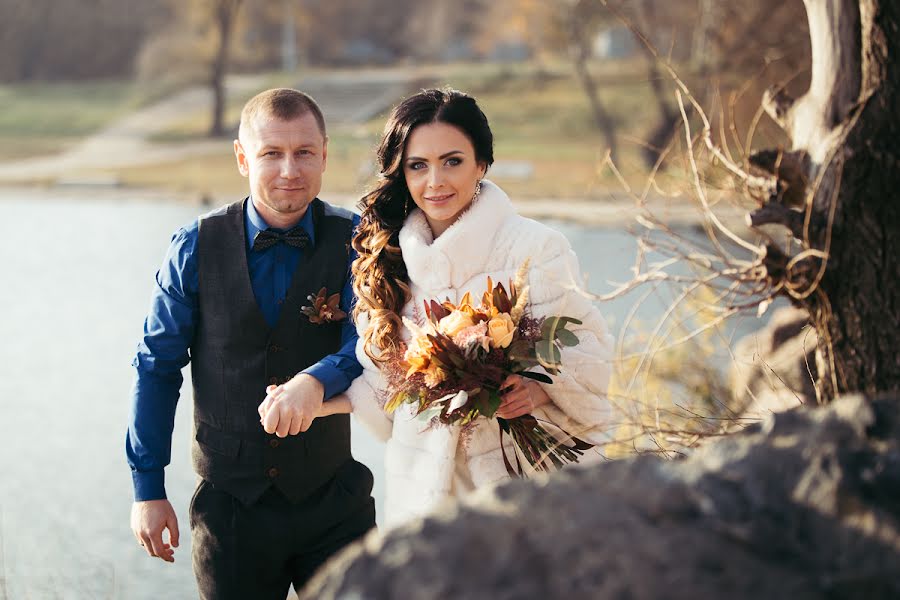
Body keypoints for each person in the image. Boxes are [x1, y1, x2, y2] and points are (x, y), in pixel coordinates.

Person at [265, 88, 614, 527]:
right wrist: (309, 397)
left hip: (527, 479)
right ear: (401, 174)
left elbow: (591, 353)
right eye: (418, 166)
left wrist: (539, 389)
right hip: (425, 491)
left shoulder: (536, 249)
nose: (435, 182)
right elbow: (385, 382)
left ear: (482, 164)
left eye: (453, 161)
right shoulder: (391, 260)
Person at [126, 88, 375, 599]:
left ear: (324, 153)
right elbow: (156, 367)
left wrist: (316, 380)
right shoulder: (194, 246)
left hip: (334, 502)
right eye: (271, 153)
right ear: (242, 158)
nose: (290, 169)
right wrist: (147, 488)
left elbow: (371, 343)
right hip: (230, 510)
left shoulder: (359, 242)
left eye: (304, 152)